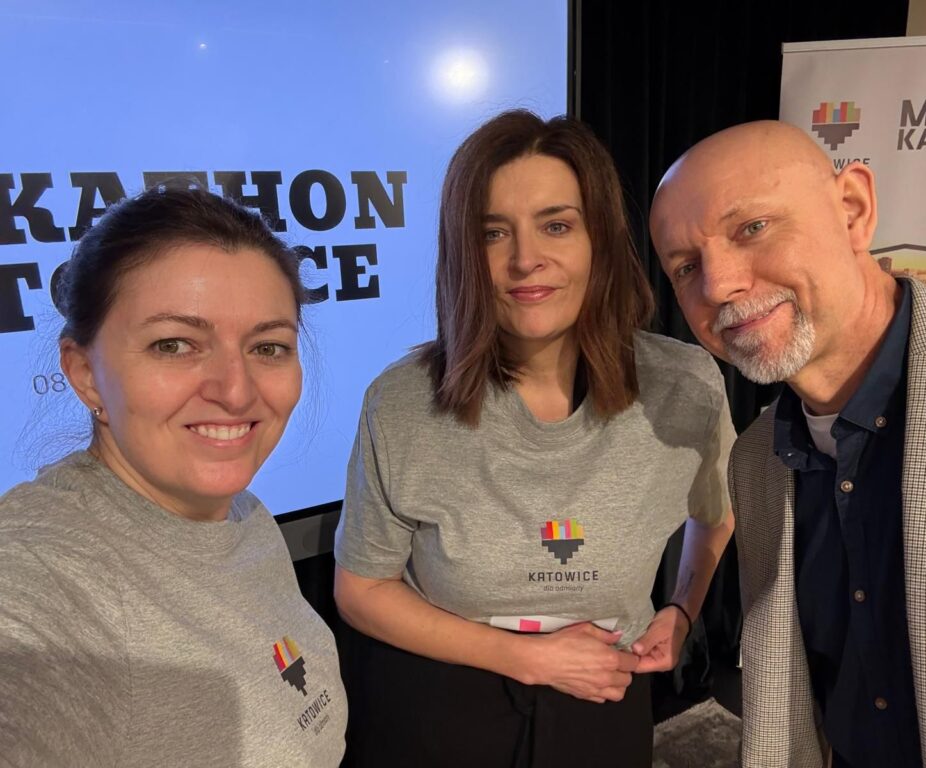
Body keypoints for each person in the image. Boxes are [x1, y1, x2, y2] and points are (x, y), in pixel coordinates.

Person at [334, 109, 736, 767]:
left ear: (600, 238)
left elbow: (715, 514)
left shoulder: (685, 387)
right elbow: (361, 590)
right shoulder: (402, 403)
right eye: (493, 233)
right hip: (444, 703)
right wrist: (531, 659)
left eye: (556, 225)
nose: (525, 260)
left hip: (604, 698)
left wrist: (683, 611)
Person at [650, 120, 926, 768]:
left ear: (853, 209)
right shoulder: (757, 461)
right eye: (686, 267)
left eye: (751, 228)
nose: (717, 285)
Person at [0, 187, 347, 767]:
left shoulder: (243, 513)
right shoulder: (45, 579)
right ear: (85, 374)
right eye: (174, 344)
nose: (235, 391)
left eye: (268, 347)